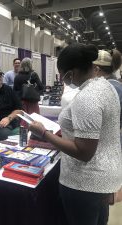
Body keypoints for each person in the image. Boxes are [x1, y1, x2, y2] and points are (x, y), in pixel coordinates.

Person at [28, 43, 122, 225]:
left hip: (84, 182)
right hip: (102, 176)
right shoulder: (105, 86)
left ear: (70, 74)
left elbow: (84, 151)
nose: (62, 79)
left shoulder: (88, 98)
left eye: (62, 75)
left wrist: (44, 133)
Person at [93, 49, 122, 205]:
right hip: (114, 140)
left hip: (105, 144)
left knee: (103, 197)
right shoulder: (117, 86)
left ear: (96, 68)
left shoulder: (106, 88)